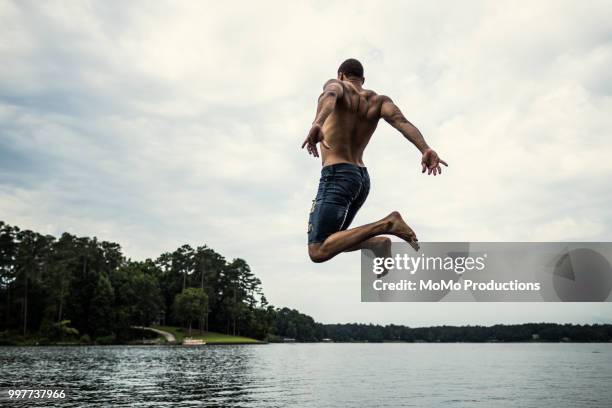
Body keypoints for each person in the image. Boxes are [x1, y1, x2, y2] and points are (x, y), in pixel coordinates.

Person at [302, 58, 447, 265]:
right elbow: (402, 122)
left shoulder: (337, 85)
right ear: (363, 79)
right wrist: (425, 148)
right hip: (361, 180)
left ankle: (387, 224)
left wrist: (317, 122)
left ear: (341, 75)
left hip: (338, 175)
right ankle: (376, 243)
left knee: (318, 249)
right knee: (337, 239)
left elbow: (329, 96)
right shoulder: (379, 101)